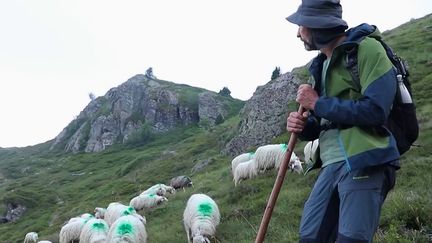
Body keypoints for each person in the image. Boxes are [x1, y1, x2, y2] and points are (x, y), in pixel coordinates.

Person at [285, 0, 400, 242]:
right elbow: (325, 121)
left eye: (301, 25)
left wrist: (318, 103)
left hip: (366, 157)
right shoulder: (321, 65)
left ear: (317, 25)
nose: (297, 33)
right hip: (330, 164)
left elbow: (376, 110)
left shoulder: (367, 49)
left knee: (351, 239)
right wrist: (305, 127)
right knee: (310, 236)